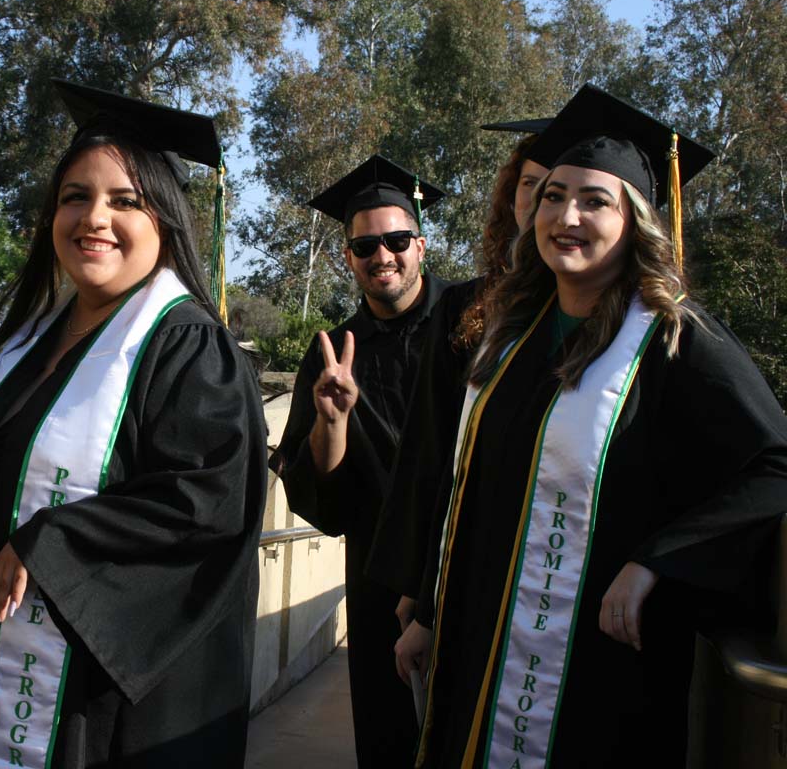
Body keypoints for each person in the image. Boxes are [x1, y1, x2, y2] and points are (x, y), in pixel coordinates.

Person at [399, 84, 787, 767]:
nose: (565, 215)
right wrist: (431, 608)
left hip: (596, 668)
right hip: (479, 637)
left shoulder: (674, 338)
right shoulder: (514, 334)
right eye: (552, 195)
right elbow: (466, 483)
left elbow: (774, 464)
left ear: (636, 219)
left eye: (593, 200)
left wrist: (656, 560)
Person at [0, 80, 267, 769]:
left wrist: (51, 543)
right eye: (75, 196)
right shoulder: (23, 341)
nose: (94, 218)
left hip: (96, 692)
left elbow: (205, 506)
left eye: (124, 201)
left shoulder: (187, 346)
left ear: (163, 220)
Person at [270, 155, 452, 767]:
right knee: (390, 736)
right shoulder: (329, 357)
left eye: (397, 240)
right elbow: (321, 493)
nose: (383, 255)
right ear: (349, 256)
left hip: (471, 559)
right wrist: (332, 421)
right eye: (365, 245)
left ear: (421, 246)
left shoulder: (475, 325)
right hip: (379, 580)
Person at [367, 119, 551, 638]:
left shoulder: (644, 327)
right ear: (510, 198)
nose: (550, 204)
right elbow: (431, 455)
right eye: (532, 185)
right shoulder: (464, 310)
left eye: (566, 188)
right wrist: (421, 588)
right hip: (470, 569)